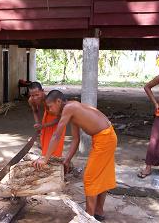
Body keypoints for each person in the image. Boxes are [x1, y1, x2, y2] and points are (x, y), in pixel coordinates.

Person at [33, 90, 117, 221]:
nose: (49, 110)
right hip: (105, 137)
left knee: (90, 178)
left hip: (105, 138)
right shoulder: (71, 109)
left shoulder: (70, 108)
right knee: (101, 176)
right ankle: (98, 212)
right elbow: (76, 139)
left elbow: (57, 135)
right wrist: (67, 160)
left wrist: (45, 158)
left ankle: (88, 218)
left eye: (50, 107)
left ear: (58, 101)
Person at [28, 82, 66, 158]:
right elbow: (35, 111)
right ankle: (45, 159)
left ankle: (56, 161)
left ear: (43, 91)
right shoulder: (31, 100)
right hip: (47, 117)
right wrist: (38, 123)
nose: (35, 98)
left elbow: (59, 119)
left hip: (58, 119)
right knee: (45, 141)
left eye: (37, 95)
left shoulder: (49, 99)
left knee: (56, 142)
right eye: (32, 95)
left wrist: (43, 125)